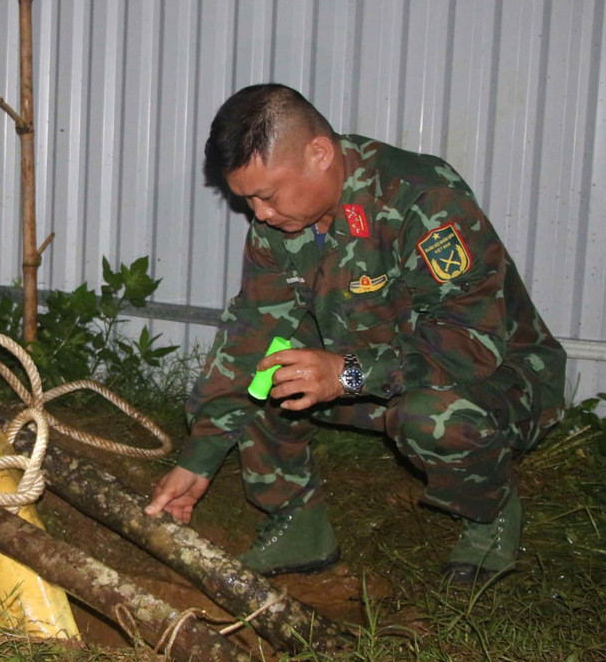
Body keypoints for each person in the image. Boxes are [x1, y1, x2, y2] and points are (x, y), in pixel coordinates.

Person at [145, 84, 565, 584]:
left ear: (319, 154)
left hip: (497, 377)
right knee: (267, 373)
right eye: (248, 199)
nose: (258, 214)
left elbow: (469, 341)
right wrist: (199, 460)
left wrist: (345, 373)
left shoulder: (422, 198)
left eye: (266, 195)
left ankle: (488, 514)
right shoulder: (279, 225)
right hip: (367, 371)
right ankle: (300, 525)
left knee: (430, 418)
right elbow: (252, 335)